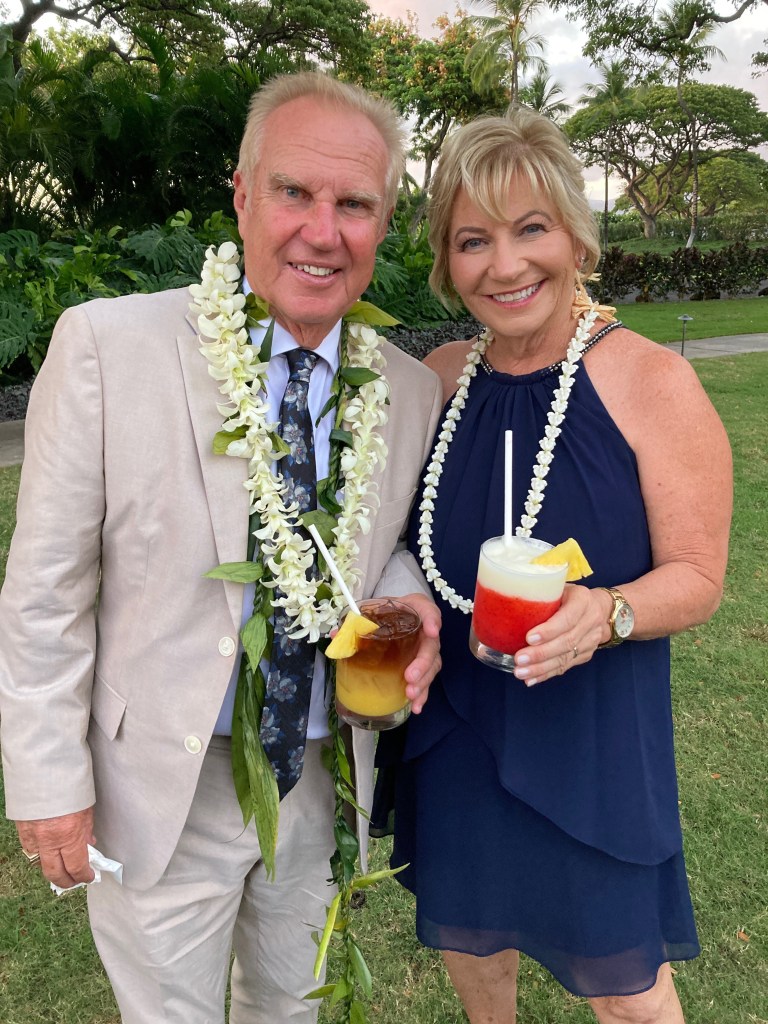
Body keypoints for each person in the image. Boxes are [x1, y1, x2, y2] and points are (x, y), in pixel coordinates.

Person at [0, 72, 444, 1023]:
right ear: (241, 194)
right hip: (158, 782)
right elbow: (43, 593)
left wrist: (413, 606)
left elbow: (388, 548)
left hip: (322, 773)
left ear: (383, 220)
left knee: (293, 1009)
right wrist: (47, 783)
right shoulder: (107, 348)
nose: (321, 231)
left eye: (354, 204)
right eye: (294, 191)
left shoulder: (407, 390)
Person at [373, 106, 732, 1024]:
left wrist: (605, 613)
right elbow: (400, 540)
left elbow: (697, 574)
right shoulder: (440, 378)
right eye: (472, 240)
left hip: (591, 737)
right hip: (458, 726)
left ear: (576, 233)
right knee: (471, 942)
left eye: (531, 228)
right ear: (447, 263)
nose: (505, 263)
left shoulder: (652, 381)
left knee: (630, 992)